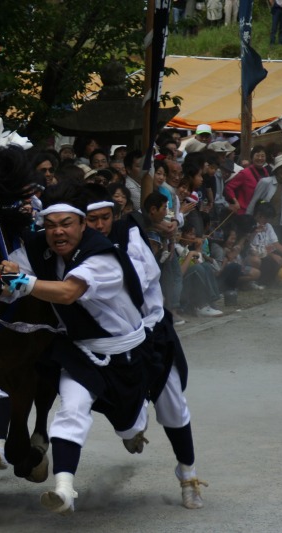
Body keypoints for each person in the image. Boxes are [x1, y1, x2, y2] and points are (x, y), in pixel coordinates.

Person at [0, 182, 156, 515]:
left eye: (66, 224)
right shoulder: (38, 248)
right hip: (81, 351)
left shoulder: (103, 256)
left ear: (83, 225)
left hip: (124, 355)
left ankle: (133, 427)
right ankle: (64, 490)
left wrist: (24, 284)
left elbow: (69, 292)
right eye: (51, 225)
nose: (57, 232)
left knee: (128, 425)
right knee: (70, 411)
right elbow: (10, 276)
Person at [84, 190, 206, 509]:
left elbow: (141, 280)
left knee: (173, 405)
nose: (99, 225)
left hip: (151, 335)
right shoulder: (71, 248)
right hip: (109, 344)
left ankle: (188, 474)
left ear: (115, 215)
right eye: (91, 219)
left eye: (104, 217)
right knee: (107, 401)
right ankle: (132, 427)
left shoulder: (131, 236)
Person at [247, 154, 282, 234]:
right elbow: (254, 202)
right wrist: (248, 220)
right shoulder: (265, 182)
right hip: (261, 223)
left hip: (277, 226)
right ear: (277, 169)